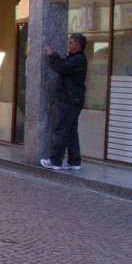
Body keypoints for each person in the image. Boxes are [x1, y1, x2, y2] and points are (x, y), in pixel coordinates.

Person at [40, 33, 87, 170]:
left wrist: (52, 55)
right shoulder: (76, 59)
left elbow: (61, 67)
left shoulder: (78, 60)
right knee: (71, 131)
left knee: (62, 130)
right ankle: (74, 162)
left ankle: (55, 161)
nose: (69, 45)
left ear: (78, 45)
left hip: (70, 100)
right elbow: (64, 65)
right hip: (73, 100)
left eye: (71, 43)